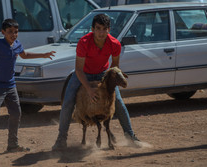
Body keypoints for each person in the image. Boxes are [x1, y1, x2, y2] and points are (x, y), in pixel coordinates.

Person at [52, 14, 145, 150]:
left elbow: (115, 66)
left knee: (118, 102)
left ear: (109, 29)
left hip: (103, 73)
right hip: (83, 73)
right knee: (68, 101)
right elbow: (78, 69)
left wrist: (112, 79)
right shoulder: (83, 42)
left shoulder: (114, 44)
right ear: (92, 29)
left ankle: (130, 135)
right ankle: (61, 139)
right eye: (98, 28)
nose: (101, 32)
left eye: (104, 29)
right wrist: (89, 89)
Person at [0, 19, 56, 154]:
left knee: (16, 113)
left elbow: (25, 55)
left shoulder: (17, 44)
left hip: (11, 85)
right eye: (10, 32)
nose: (13, 35)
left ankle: (12, 145)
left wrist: (43, 55)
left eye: (16, 32)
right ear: (3, 32)